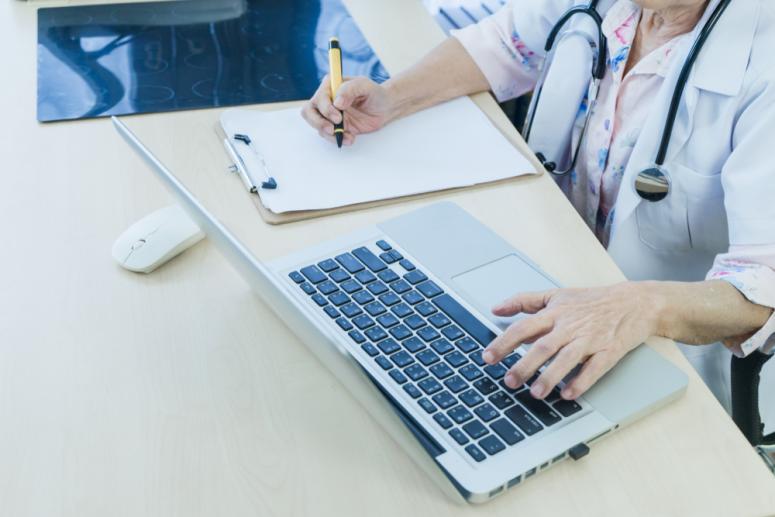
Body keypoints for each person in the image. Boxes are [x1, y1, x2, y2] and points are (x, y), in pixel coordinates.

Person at [300, 0, 775, 417]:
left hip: (669, 352)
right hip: (545, 285)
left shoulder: (764, 59)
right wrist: (391, 97)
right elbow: (500, 46)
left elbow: (762, 288)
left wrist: (642, 305)